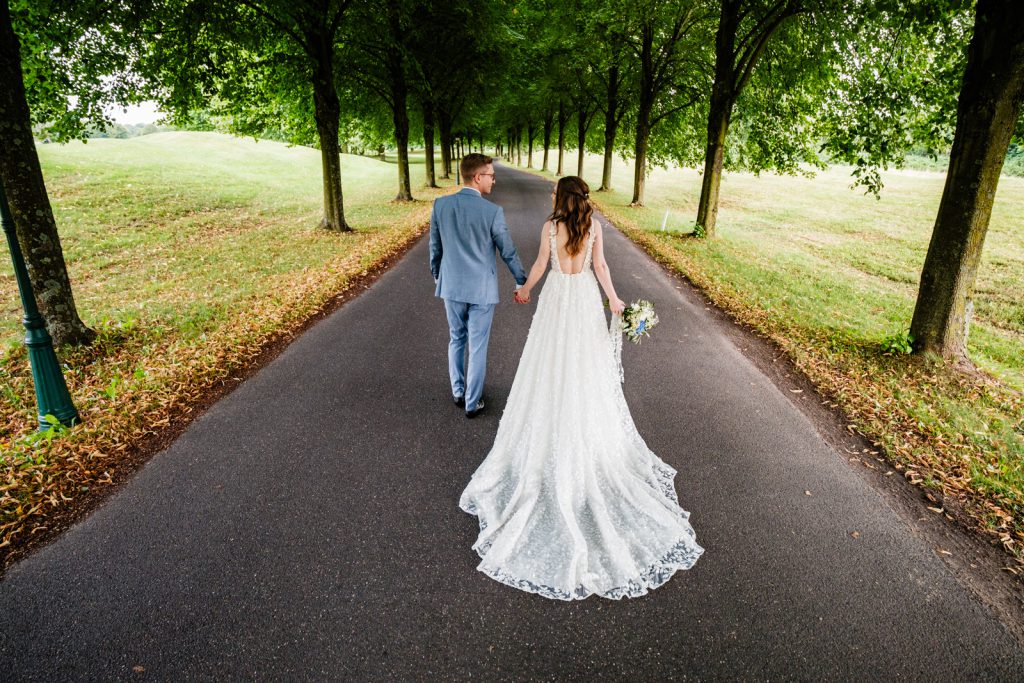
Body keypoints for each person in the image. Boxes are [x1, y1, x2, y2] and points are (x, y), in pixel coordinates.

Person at [459, 176, 704, 600]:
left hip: (557, 301)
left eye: (555, 190)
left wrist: (525, 289)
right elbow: (602, 269)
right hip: (585, 300)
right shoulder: (593, 227)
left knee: (549, 367)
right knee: (586, 370)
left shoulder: (551, 226)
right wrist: (613, 299)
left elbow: (539, 265)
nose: (551, 195)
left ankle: (553, 425)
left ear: (561, 197)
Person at [429, 153, 527, 418]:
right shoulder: (492, 212)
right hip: (481, 290)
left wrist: (437, 275)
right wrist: (521, 279)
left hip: (451, 286)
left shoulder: (440, 205)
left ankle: (458, 392)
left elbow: (435, 248)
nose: (493, 180)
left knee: (456, 337)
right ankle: (472, 403)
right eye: (490, 175)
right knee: (478, 344)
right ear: (477, 177)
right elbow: (507, 250)